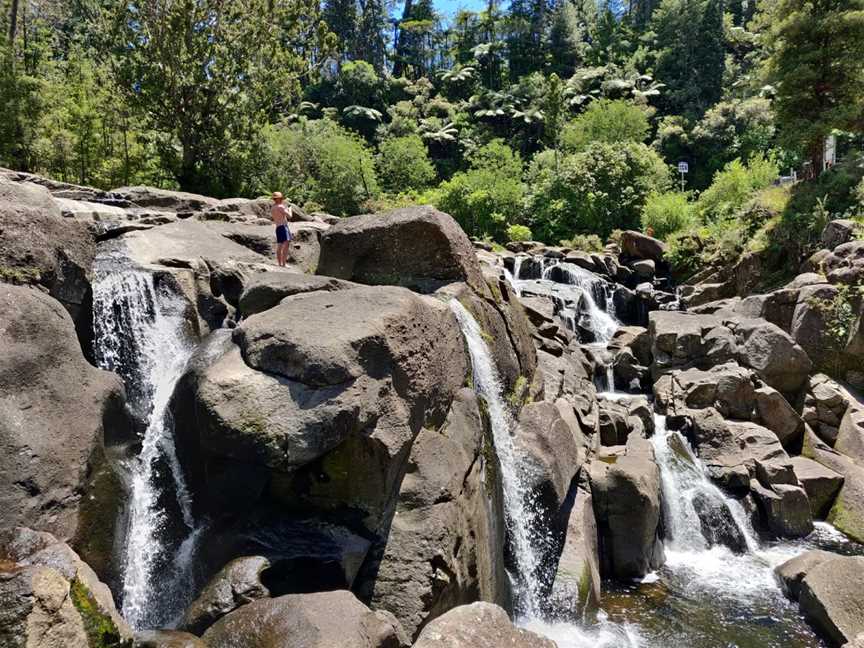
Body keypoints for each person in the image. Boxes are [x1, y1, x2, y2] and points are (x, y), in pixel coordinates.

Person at [271, 191, 293, 267]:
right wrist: (290, 209)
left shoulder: (273, 207)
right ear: (276, 199)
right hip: (283, 227)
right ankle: (283, 264)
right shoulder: (280, 206)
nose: (281, 200)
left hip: (278, 227)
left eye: (281, 198)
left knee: (280, 245)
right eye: (279, 198)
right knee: (286, 245)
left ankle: (280, 263)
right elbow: (289, 216)